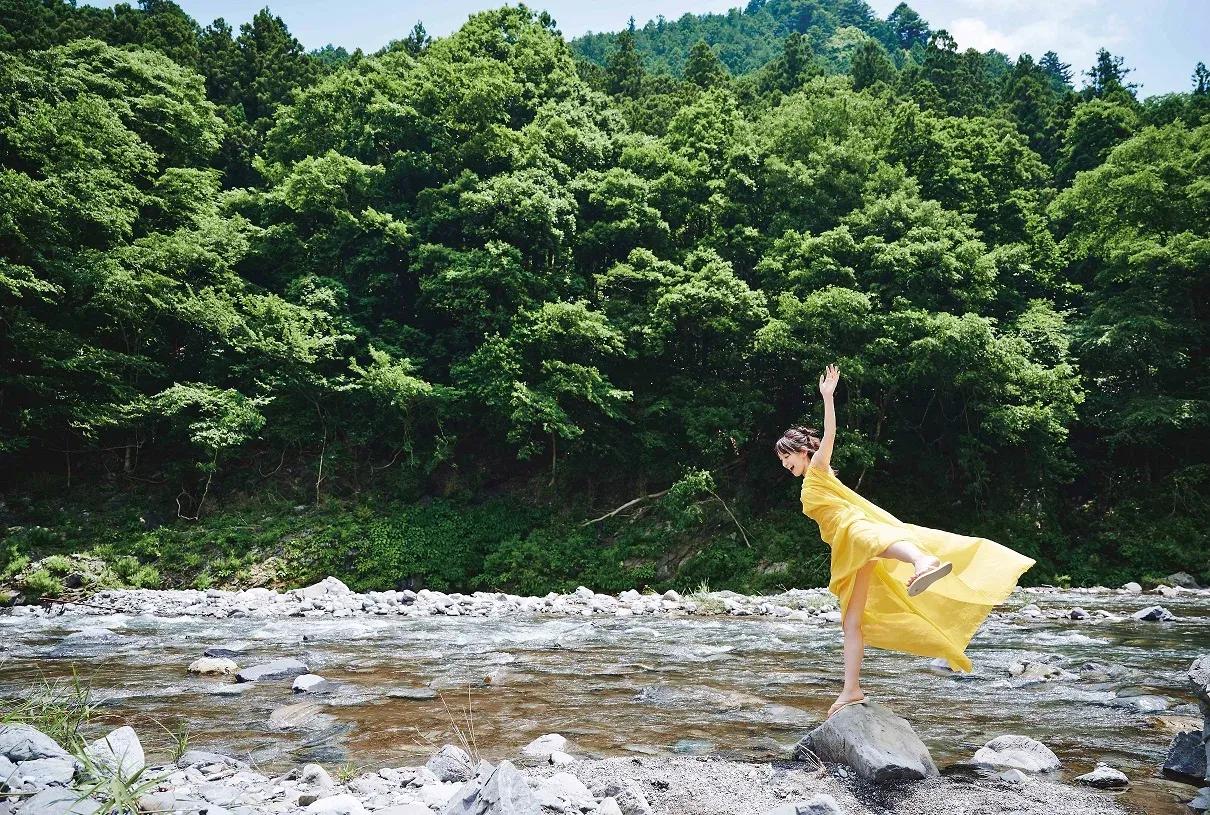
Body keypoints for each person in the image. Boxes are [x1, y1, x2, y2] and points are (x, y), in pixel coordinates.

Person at [776, 364, 1035, 718]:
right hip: (846, 548)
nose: (785, 465)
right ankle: (851, 688)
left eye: (786, 457)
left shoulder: (819, 469)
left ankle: (923, 561)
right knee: (852, 623)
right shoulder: (812, 480)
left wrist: (827, 397)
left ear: (801, 451)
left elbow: (831, 432)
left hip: (854, 529)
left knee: (879, 542)